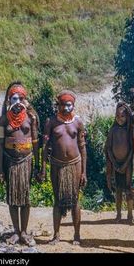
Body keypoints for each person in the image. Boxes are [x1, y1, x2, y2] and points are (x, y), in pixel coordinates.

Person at [38, 90, 87, 245]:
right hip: (57, 164)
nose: (66, 108)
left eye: (69, 105)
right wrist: (43, 168)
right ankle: (56, 234)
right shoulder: (51, 122)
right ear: (57, 105)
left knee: (75, 200)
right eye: (63, 105)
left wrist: (84, 172)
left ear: (73, 105)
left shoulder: (78, 122)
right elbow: (45, 147)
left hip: (75, 164)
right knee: (57, 199)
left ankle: (77, 235)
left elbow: (82, 147)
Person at [0, 81, 39, 246]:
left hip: (26, 161)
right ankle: (15, 231)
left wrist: (37, 166)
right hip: (10, 161)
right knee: (12, 197)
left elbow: (35, 143)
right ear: (8, 100)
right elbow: (0, 145)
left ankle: (24, 232)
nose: (17, 101)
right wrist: (0, 169)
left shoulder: (31, 118)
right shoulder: (2, 121)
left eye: (21, 98)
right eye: (14, 98)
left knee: (25, 198)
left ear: (25, 100)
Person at [105, 102, 134, 224]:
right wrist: (115, 164)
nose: (120, 119)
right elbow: (108, 148)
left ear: (127, 116)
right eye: (117, 116)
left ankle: (130, 214)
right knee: (118, 190)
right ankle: (118, 214)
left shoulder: (130, 130)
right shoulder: (113, 130)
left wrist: (125, 164)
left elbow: (132, 149)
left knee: (128, 189)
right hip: (116, 164)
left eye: (122, 116)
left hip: (127, 165)